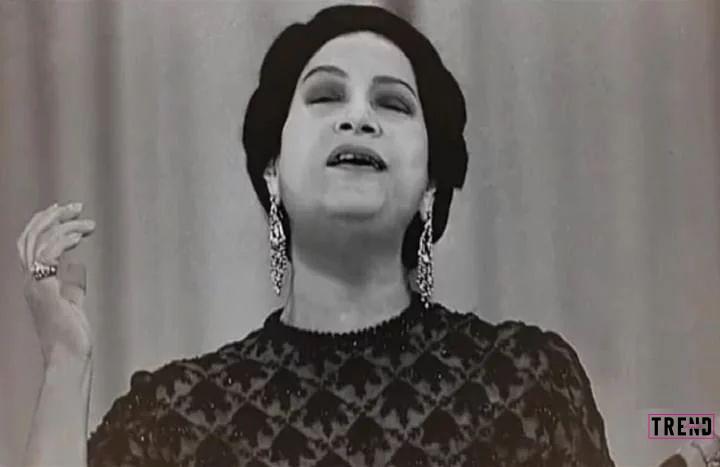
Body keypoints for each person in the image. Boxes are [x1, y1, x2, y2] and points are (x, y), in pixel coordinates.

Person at [15, 4, 718, 467]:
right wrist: (65, 365)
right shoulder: (174, 415)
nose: (358, 118)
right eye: (325, 96)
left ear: (431, 183)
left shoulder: (530, 382)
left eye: (393, 103)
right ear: (272, 171)